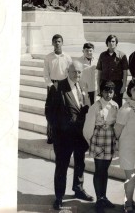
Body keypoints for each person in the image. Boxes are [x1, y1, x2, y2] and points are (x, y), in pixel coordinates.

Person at [45, 61, 93, 210]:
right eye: (74, 72)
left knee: (80, 164)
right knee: (61, 168)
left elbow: (84, 108)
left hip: (80, 136)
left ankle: (78, 189)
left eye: (79, 72)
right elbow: (49, 112)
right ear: (67, 71)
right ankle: (59, 197)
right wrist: (59, 130)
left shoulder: (82, 86)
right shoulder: (57, 88)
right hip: (64, 137)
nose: (77, 75)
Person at [83, 81, 119, 211]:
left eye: (111, 92)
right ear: (101, 92)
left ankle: (104, 197)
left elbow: (116, 124)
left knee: (105, 169)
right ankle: (99, 199)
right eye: (106, 91)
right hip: (98, 138)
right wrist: (91, 140)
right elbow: (88, 127)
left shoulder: (115, 106)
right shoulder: (95, 106)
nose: (108, 94)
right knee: (99, 169)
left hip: (109, 139)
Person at [114, 79, 135, 213]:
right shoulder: (125, 108)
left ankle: (130, 199)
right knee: (131, 177)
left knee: (134, 176)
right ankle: (127, 204)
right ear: (129, 91)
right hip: (127, 148)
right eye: (134, 89)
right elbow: (117, 130)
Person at [44, 34, 73, 144]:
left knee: (64, 111)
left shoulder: (67, 57)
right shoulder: (48, 57)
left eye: (59, 41)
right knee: (51, 111)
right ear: (52, 43)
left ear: (62, 43)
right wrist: (51, 85)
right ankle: (51, 135)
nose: (57, 43)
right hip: (52, 85)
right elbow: (46, 74)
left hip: (64, 86)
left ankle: (62, 136)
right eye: (55, 41)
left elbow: (70, 73)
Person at [96, 35, 129, 108]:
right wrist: (98, 86)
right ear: (107, 43)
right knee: (104, 105)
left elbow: (125, 72)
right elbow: (99, 71)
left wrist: (124, 86)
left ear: (116, 43)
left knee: (117, 105)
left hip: (117, 85)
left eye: (113, 41)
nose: (111, 43)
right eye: (109, 41)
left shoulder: (122, 55)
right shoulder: (102, 55)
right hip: (104, 83)